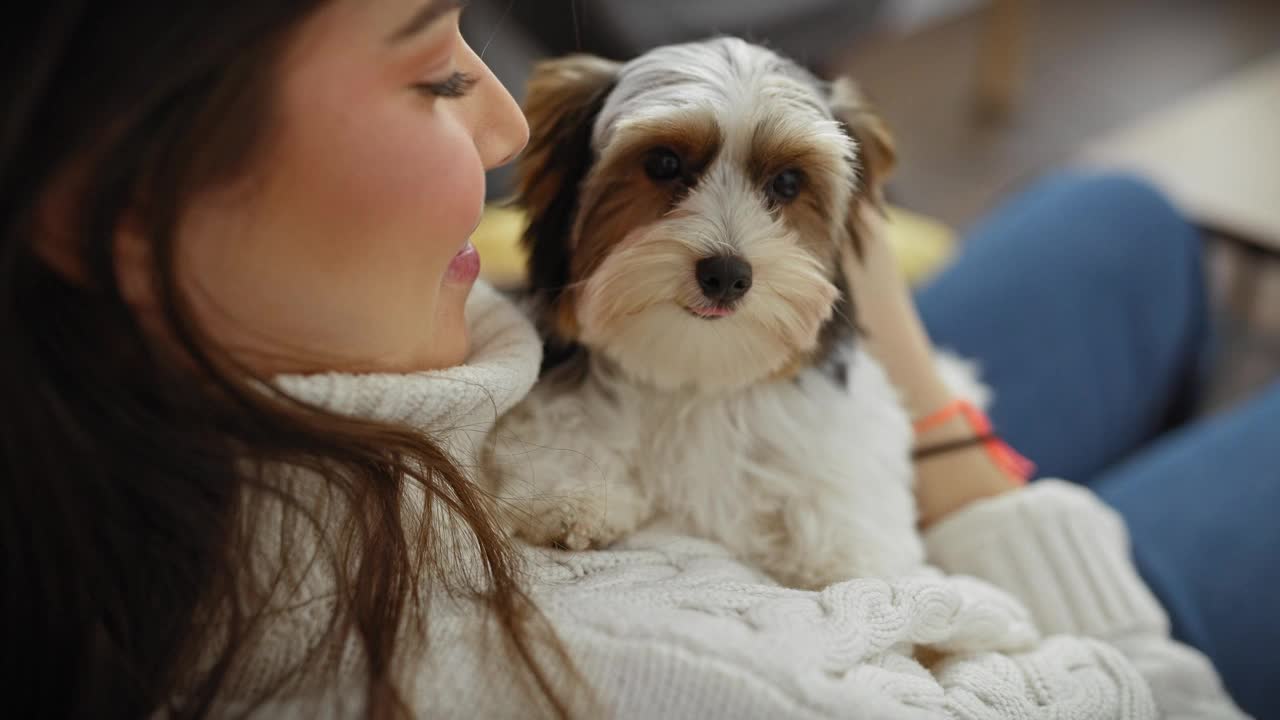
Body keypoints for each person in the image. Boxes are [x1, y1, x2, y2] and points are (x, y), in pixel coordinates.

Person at [3, 2, 1267, 718]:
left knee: (1118, 226)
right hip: (1028, 635)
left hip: (777, 402)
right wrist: (943, 429)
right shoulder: (680, 677)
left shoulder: (141, 452)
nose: (501, 126)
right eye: (431, 72)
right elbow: (1166, 702)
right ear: (118, 195)